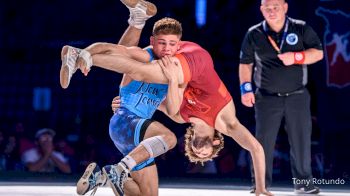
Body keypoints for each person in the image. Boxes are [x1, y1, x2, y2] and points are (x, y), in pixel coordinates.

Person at [61, 7, 272, 196]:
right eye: (205, 153)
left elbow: (159, 102)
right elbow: (255, 148)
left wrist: (122, 102)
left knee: (149, 194)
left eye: (195, 152)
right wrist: (261, 189)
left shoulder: (181, 116)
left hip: (137, 118)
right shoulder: (226, 123)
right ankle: (84, 54)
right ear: (216, 142)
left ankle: (106, 176)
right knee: (164, 129)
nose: (199, 151)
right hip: (194, 64)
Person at [74, 1, 178, 196]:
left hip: (135, 138)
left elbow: (170, 109)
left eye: (172, 44)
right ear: (153, 41)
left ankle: (101, 176)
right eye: (162, 43)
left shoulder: (172, 68)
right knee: (169, 138)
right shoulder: (144, 55)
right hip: (127, 123)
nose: (166, 48)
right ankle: (138, 20)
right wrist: (86, 53)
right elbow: (117, 52)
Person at [238, 0, 323, 194]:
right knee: (262, 142)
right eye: (267, 8)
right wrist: (246, 89)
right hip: (266, 97)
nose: (271, 11)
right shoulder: (254, 33)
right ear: (261, 10)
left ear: (285, 7)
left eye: (276, 7)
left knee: (301, 140)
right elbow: (245, 64)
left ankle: (303, 183)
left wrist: (296, 57)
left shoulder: (299, 28)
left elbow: (317, 53)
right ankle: (260, 185)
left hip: (298, 95)